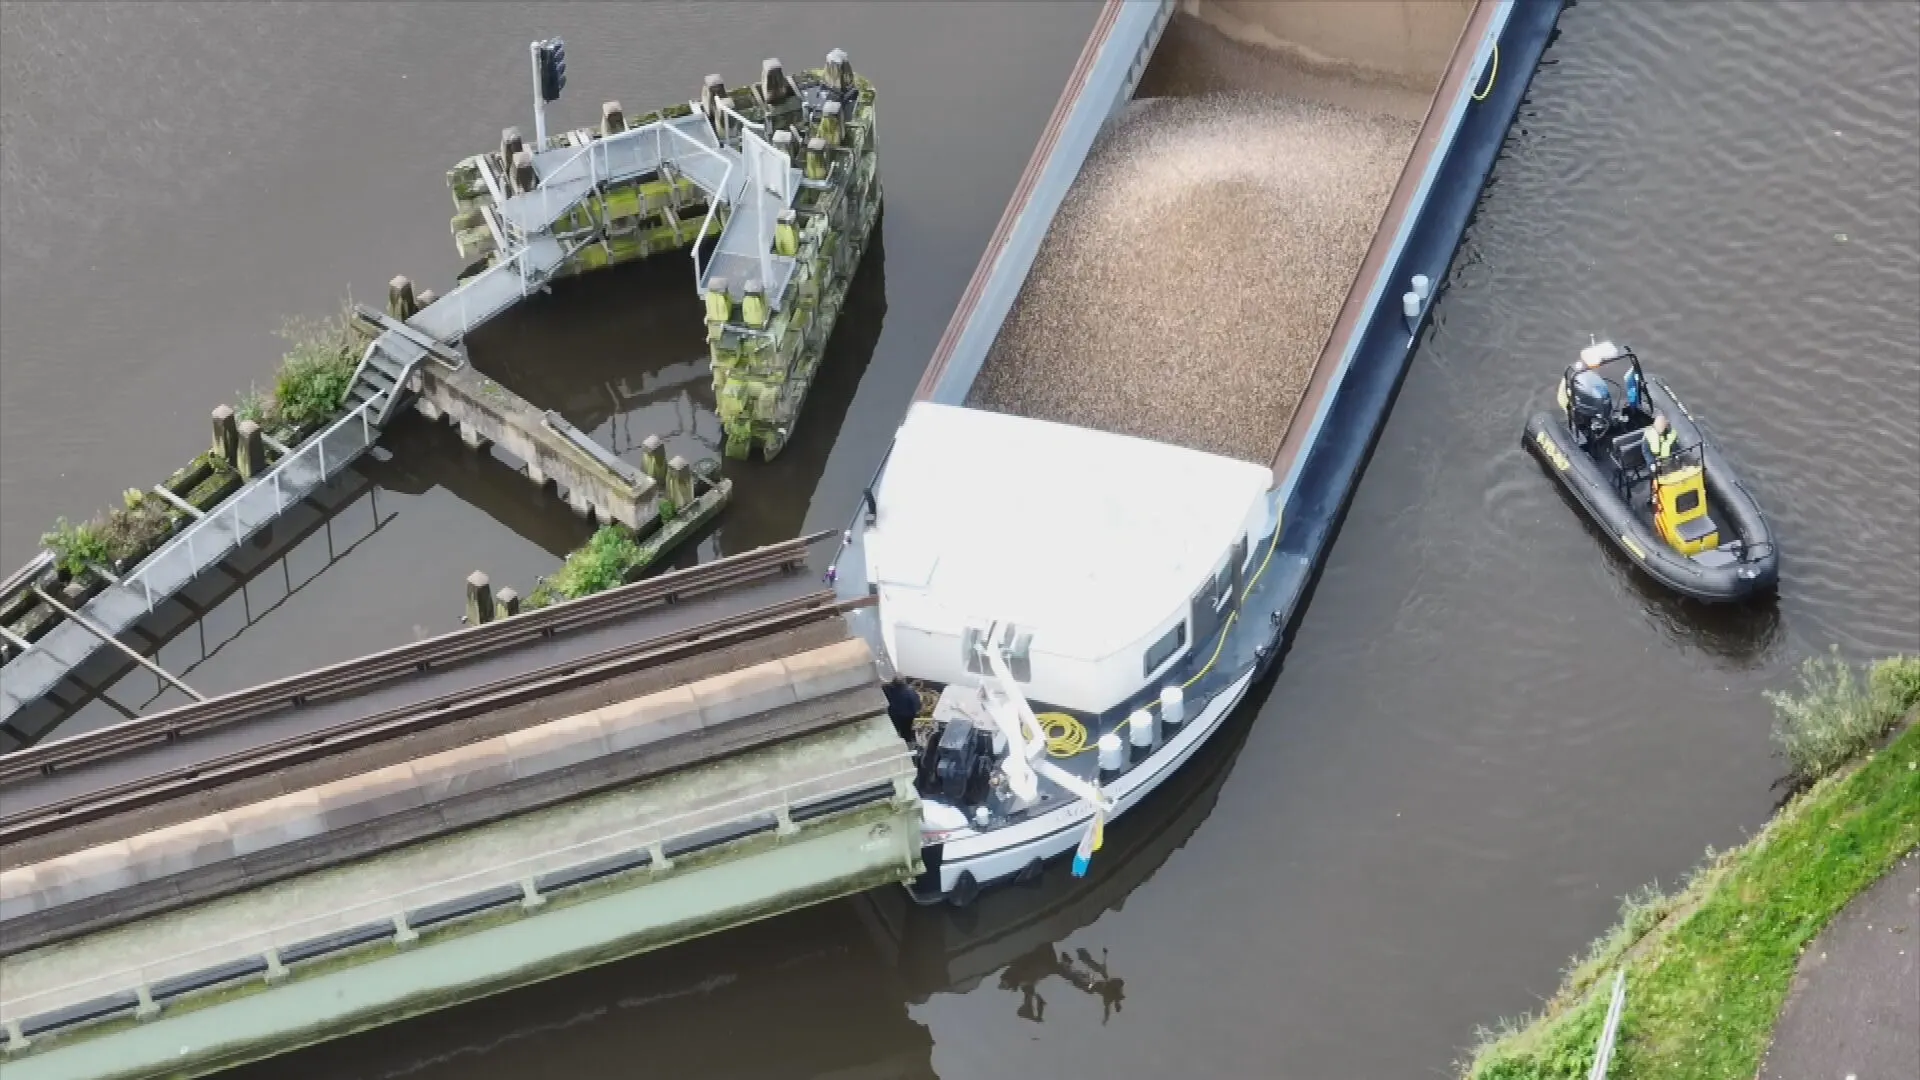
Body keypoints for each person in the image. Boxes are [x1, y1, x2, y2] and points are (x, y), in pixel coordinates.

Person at [882, 675, 921, 743]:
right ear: (904, 682)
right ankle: (906, 740)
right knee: (906, 730)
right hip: (906, 717)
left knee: (895, 728)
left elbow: (883, 687)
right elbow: (917, 705)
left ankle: (895, 738)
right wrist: (916, 714)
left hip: (894, 714)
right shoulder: (910, 692)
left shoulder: (888, 689)